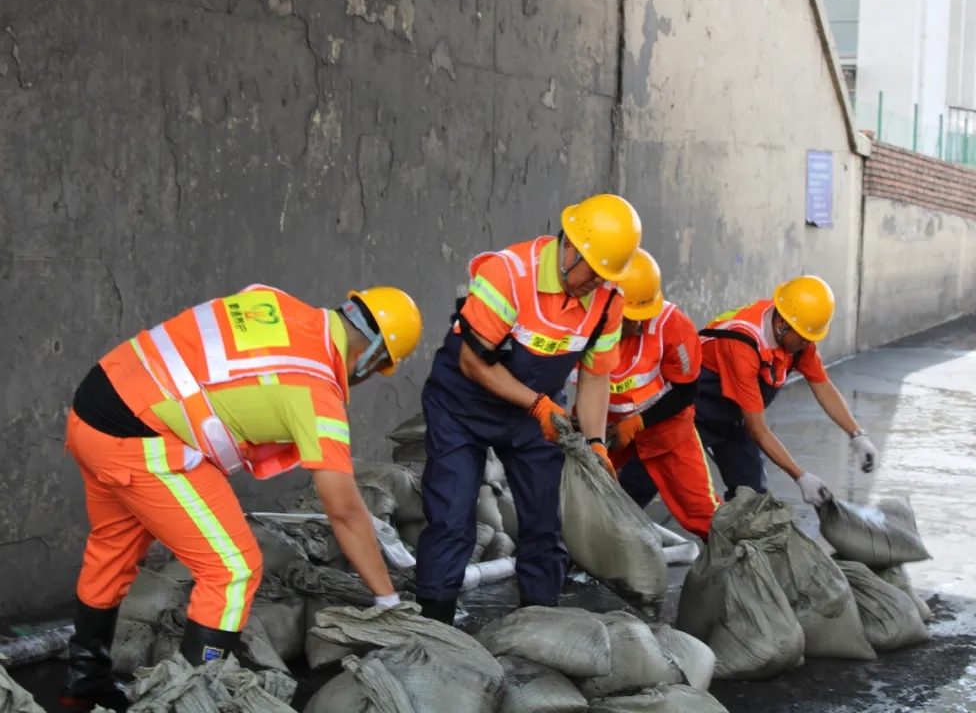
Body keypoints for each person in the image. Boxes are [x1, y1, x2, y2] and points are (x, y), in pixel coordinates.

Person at [60, 283, 422, 712]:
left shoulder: (275, 302)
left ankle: (83, 686)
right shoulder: (316, 392)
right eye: (373, 369)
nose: (361, 378)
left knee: (113, 550)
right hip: (144, 439)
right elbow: (343, 511)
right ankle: (188, 701)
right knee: (233, 568)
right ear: (372, 355)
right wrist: (386, 599)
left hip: (93, 409)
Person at [414, 193, 642, 625]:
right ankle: (435, 624)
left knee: (543, 520)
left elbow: (595, 377)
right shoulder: (510, 274)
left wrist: (595, 443)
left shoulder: (610, 301)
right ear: (570, 246)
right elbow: (472, 361)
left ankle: (540, 624)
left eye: (607, 275)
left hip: (533, 415)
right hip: (463, 406)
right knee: (452, 515)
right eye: (593, 271)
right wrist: (537, 404)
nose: (598, 283)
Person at [569, 249, 721, 540]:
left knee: (701, 511)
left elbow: (688, 390)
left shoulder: (672, 326)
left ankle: (738, 563)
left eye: (644, 315)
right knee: (581, 490)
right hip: (603, 425)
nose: (638, 324)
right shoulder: (579, 324)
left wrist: (637, 423)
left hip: (666, 427)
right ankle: (572, 552)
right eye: (630, 317)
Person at [694, 275, 878, 506]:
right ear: (781, 325)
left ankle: (740, 540)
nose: (809, 345)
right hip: (691, 414)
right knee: (679, 489)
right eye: (804, 339)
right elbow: (758, 429)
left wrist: (857, 435)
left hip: (734, 417)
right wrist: (800, 476)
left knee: (752, 496)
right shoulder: (743, 342)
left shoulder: (798, 336)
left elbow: (823, 387)